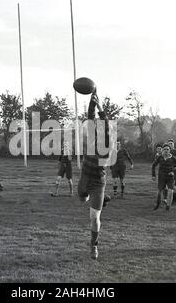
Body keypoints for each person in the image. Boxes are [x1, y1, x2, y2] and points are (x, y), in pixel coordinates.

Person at [78, 88, 112, 260]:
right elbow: (90, 117)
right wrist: (93, 100)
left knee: (93, 217)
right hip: (84, 178)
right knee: (82, 199)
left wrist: (101, 107)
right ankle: (101, 198)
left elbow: (105, 124)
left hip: (98, 182)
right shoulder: (91, 139)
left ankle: (94, 246)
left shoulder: (107, 147)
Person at [151, 143, 176, 211]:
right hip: (161, 177)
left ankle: (168, 206)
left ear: (169, 150)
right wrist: (153, 175)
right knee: (159, 192)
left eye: (167, 149)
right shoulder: (160, 157)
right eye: (164, 149)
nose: (166, 151)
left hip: (170, 177)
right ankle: (157, 204)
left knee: (170, 191)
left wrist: (173, 171)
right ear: (162, 150)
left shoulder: (173, 158)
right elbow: (153, 166)